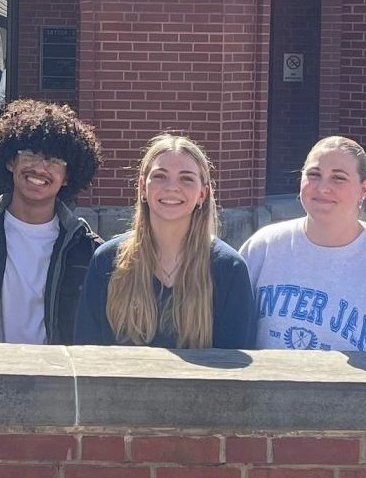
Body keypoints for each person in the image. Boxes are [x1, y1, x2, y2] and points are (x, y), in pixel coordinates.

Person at [240, 136, 366, 354]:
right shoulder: (263, 248)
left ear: (364, 189)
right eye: (314, 175)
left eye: (338, 178)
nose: (323, 187)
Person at [73, 133, 256, 350]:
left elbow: (235, 367)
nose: (172, 187)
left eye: (186, 178)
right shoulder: (107, 261)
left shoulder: (229, 269)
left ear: (202, 195)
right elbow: (87, 354)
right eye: (160, 176)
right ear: (142, 186)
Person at [0, 100, 103, 344]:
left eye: (54, 161)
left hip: (58, 377)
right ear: (10, 161)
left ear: (67, 177)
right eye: (30, 155)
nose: (40, 168)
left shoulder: (86, 249)